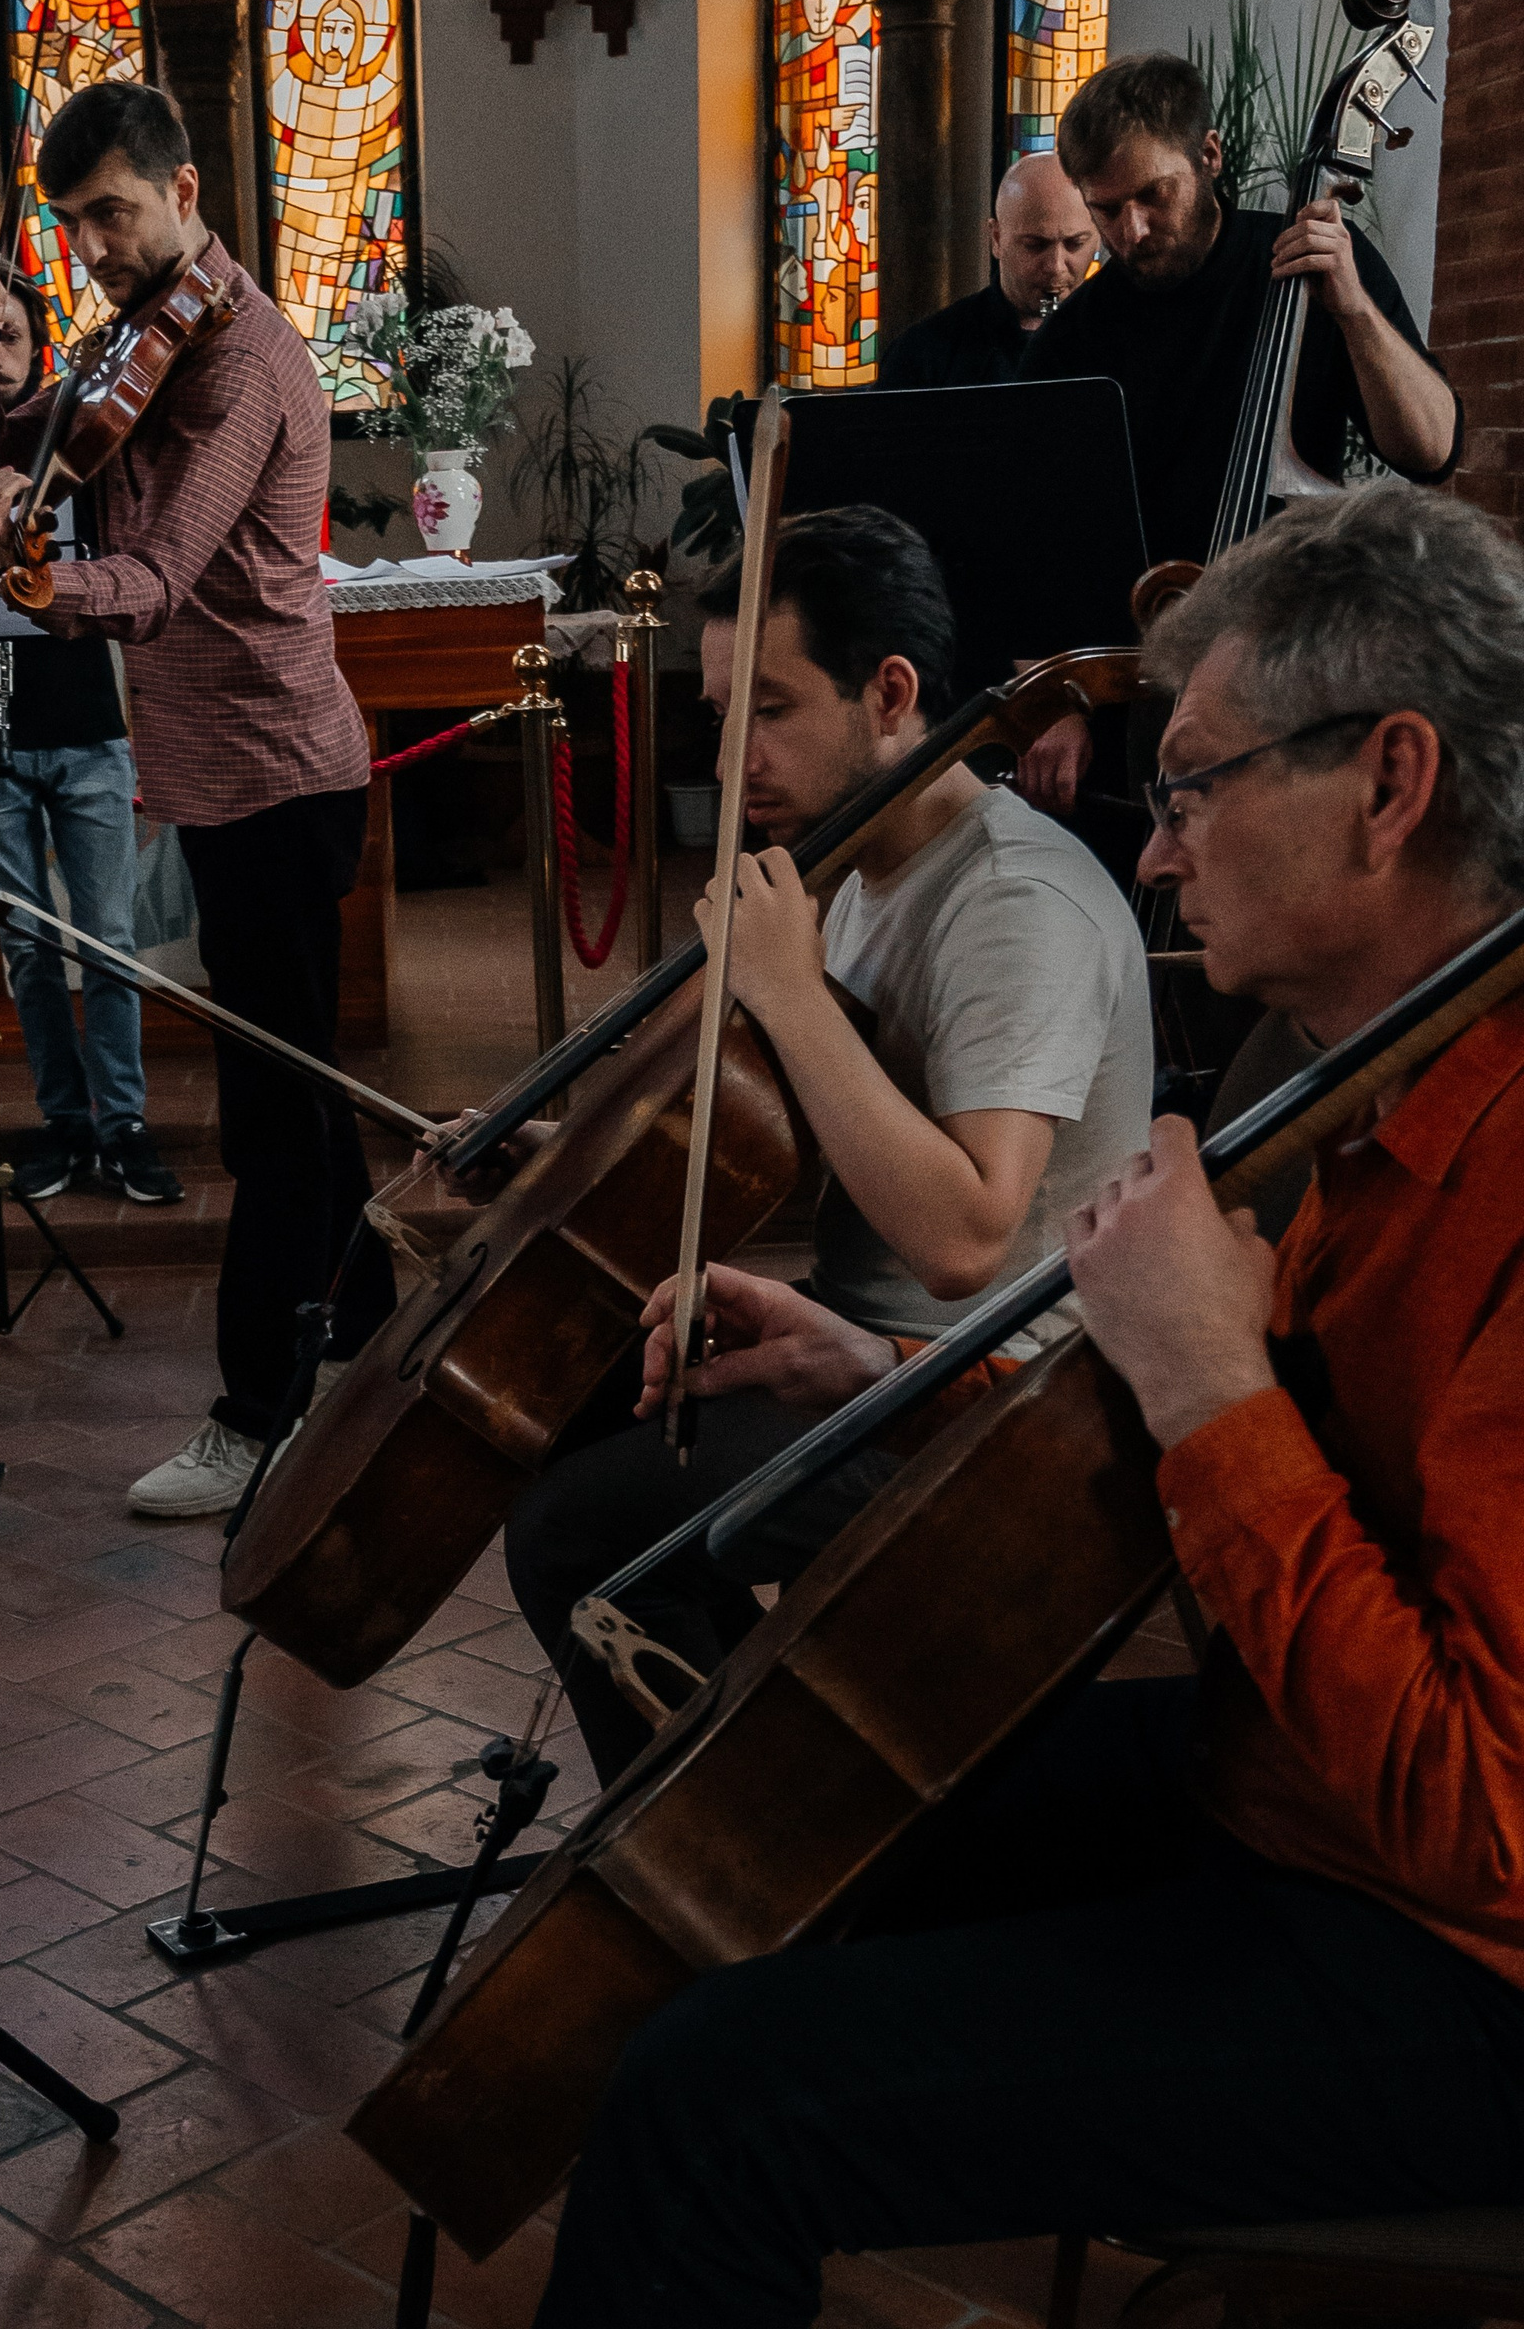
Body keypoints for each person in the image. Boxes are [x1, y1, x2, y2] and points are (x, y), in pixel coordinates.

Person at [534, 478, 1524, 2329]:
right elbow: (1219, 1435)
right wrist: (882, 1370)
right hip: (1293, 1792)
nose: (1155, 853)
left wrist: (1214, 1380)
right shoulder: (1364, 1067)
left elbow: (1484, 1822)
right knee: (775, 1825)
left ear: (1393, 787)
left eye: (1199, 784)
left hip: (1460, 1968)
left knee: (713, 2103)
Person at [503, 505, 1151, 1782]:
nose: (736, 756)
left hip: (994, 1398)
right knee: (564, 1396)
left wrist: (791, 993)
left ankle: (731, 1834)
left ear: (892, 692)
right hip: (863, 1341)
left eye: (774, 711)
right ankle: (766, 1777)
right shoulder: (853, 869)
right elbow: (750, 1116)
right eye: (719, 713)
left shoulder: (1013, 899)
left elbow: (968, 1236)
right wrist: (552, 1142)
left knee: (577, 1532)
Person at [0, 80, 376, 1523]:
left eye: (113, 214)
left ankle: (258, 1415)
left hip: (280, 775)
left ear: (186, 190)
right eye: (70, 226)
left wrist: (38, 579)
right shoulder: (131, 343)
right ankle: (371, 1323)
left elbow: (160, 575)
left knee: (271, 1115)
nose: (93, 247)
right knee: (304, 1090)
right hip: (219, 774)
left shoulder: (239, 358)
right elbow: (8, 464)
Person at [1017, 48, 1459, 818]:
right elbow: (1046, 542)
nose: (1133, 230)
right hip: (1139, 687)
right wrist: (1061, 701)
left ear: (1210, 155)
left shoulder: (1311, 270)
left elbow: (1431, 450)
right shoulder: (1071, 344)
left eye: (1154, 194)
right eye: (1106, 208)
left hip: (1297, 664)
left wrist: (1353, 309)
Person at [0, 264, 174, 1207]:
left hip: (82, 725)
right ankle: (63, 1119)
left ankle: (125, 1122)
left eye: (7, 338)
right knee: (26, 945)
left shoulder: (77, 439)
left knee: (105, 938)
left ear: (41, 343)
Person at [875, 151, 1099, 389]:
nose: (1055, 267)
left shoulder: (1117, 339)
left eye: (1075, 244)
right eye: (1035, 246)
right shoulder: (923, 355)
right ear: (997, 239)